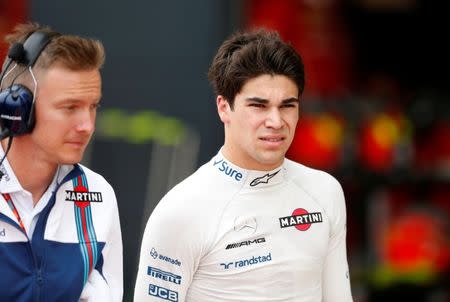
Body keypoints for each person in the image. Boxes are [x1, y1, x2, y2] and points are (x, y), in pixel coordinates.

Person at [134, 28, 353, 301]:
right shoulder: (181, 210)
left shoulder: (324, 191)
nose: (275, 121)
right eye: (259, 106)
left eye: (287, 105)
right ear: (224, 107)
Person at [0, 23, 122, 302]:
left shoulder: (98, 195)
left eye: (93, 107)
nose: (87, 125)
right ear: (17, 110)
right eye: (70, 107)